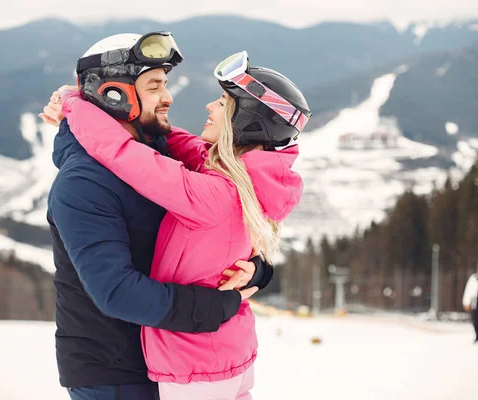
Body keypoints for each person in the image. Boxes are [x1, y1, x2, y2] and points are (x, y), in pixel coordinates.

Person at [55, 49, 311, 399]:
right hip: (217, 358)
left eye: (222, 102)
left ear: (245, 122)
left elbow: (123, 153)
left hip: (195, 366)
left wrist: (75, 107)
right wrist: (258, 270)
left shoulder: (213, 191)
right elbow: (176, 142)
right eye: (155, 86)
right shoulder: (250, 178)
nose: (209, 106)